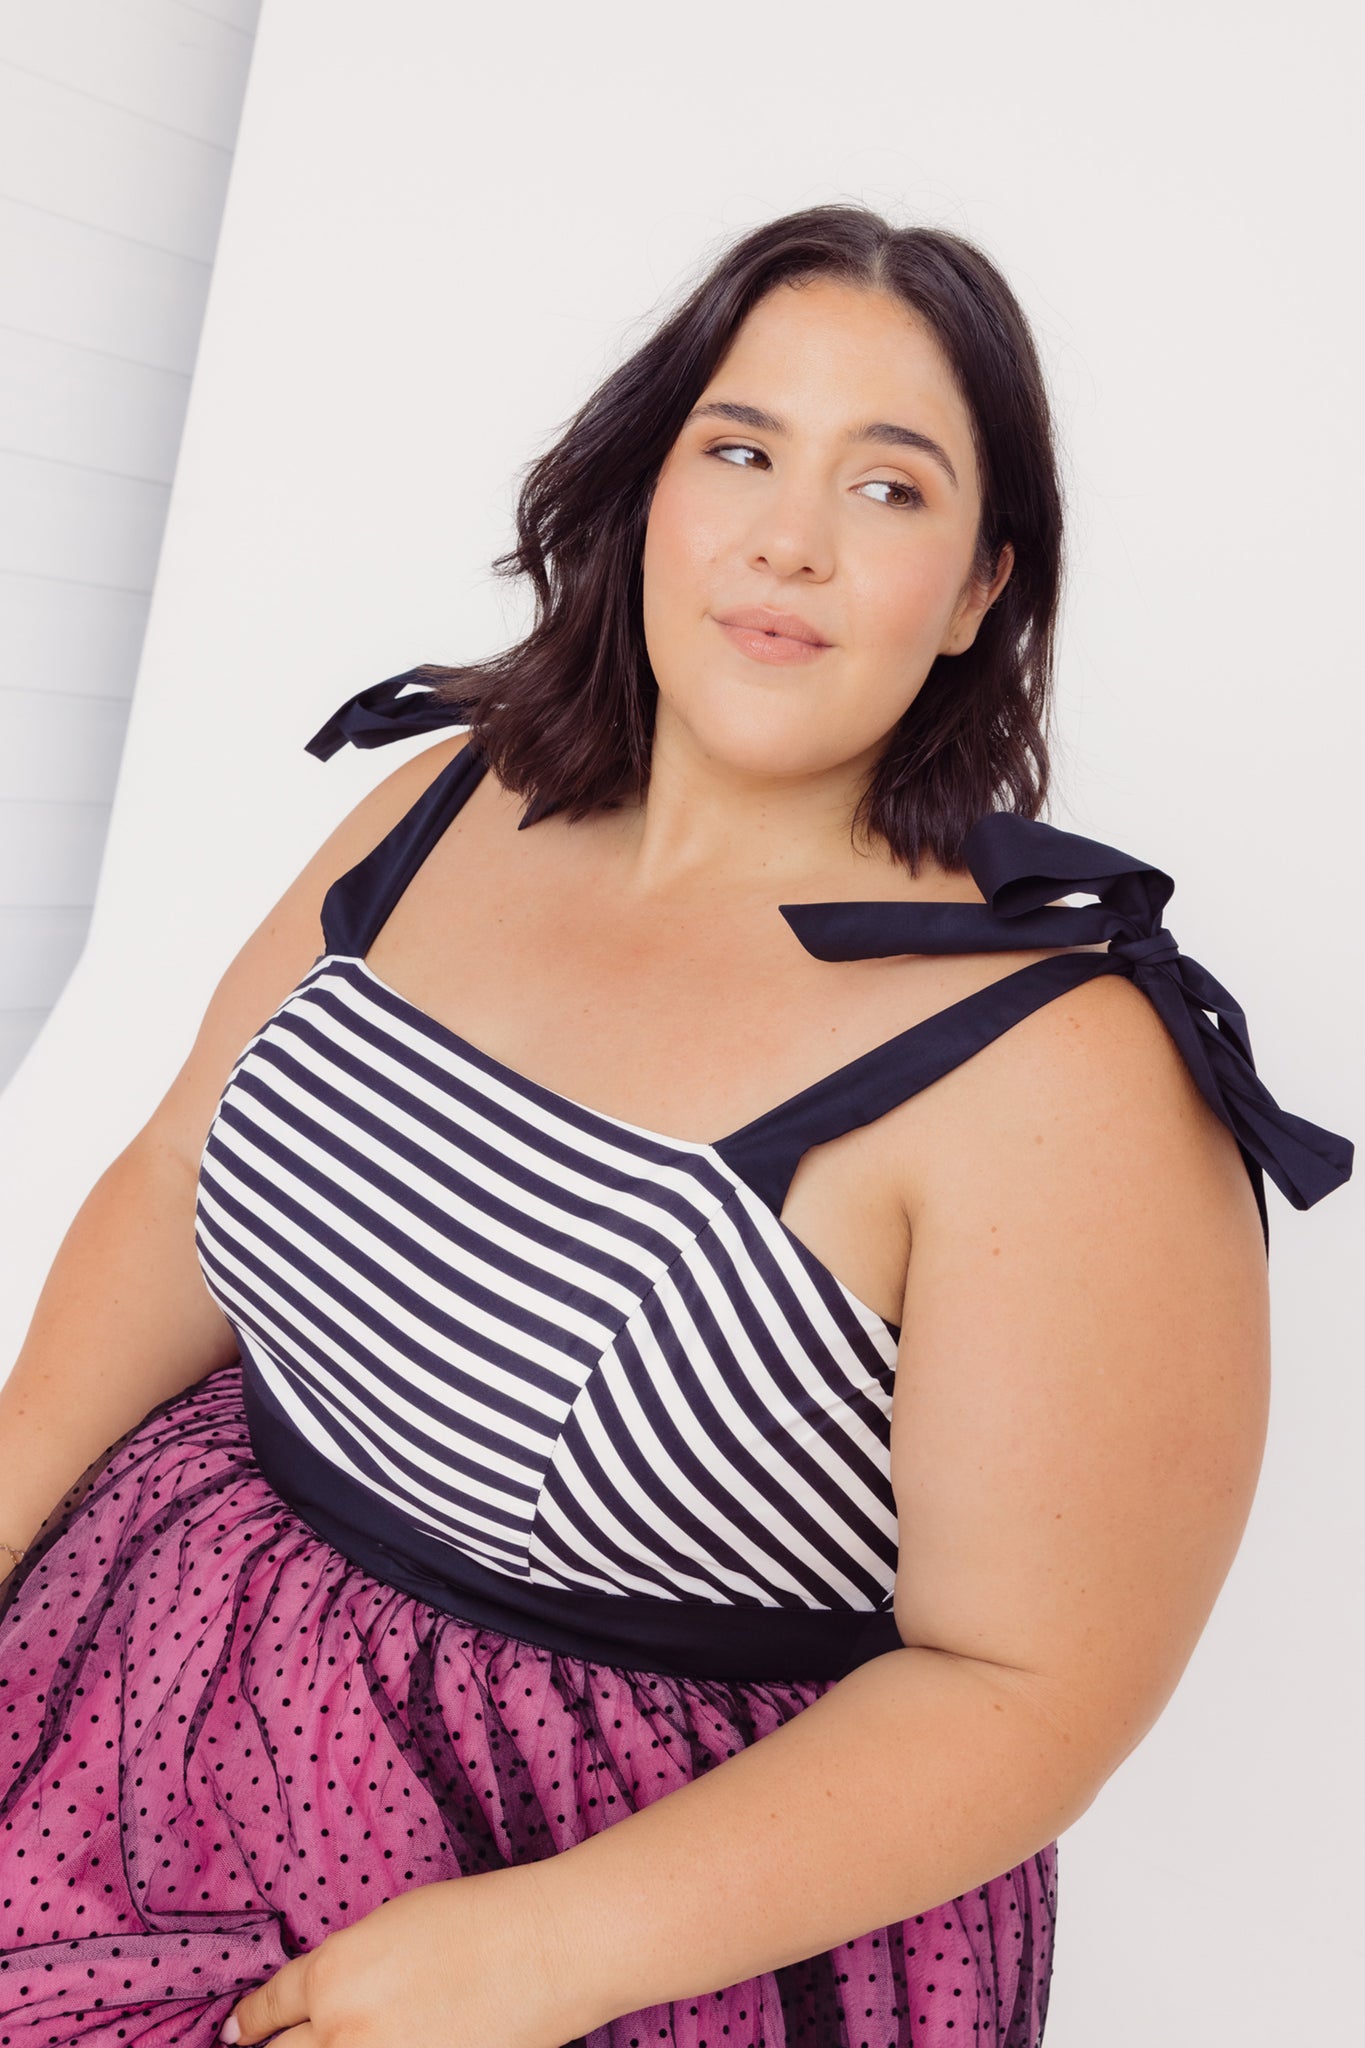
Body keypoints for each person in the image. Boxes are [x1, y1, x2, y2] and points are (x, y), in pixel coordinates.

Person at [0, 204, 1352, 2048]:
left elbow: (1029, 1689)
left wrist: (534, 1954)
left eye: (889, 489)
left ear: (977, 591)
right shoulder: (448, 799)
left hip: (600, 1921)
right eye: (739, 450)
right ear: (647, 494)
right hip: (125, 1712)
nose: (788, 536)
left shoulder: (1056, 1069)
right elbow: (176, 1183)